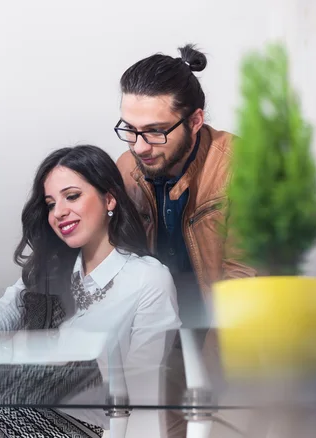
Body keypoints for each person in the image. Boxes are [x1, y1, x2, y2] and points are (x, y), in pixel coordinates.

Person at [0, 145, 181, 436]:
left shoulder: (147, 278)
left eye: (72, 196)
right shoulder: (48, 270)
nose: (59, 212)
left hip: (88, 427)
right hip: (8, 408)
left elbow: (143, 392)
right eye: (50, 203)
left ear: (109, 198)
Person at [114, 44, 256, 329]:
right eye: (130, 129)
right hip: (156, 331)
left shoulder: (241, 166)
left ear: (195, 121)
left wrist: (209, 369)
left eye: (155, 131)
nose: (139, 147)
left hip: (222, 332)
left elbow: (245, 281)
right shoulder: (127, 169)